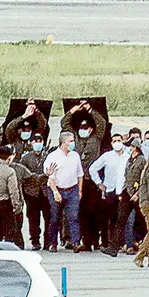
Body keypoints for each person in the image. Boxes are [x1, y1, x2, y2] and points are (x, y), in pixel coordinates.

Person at [61, 100, 107, 250]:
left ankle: (95, 239)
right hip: (76, 181)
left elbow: (102, 124)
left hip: (91, 181)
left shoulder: (96, 138)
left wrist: (90, 109)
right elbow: (64, 124)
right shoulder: (74, 138)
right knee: (79, 212)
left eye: (85, 128)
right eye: (81, 127)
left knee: (94, 211)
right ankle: (84, 241)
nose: (83, 130)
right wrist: (73, 111)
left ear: (91, 129)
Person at [45, 132, 87, 253]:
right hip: (57, 189)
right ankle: (52, 243)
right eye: (71, 141)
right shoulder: (53, 157)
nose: (73, 143)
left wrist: (79, 190)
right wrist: (55, 192)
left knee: (74, 217)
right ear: (63, 143)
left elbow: (80, 174)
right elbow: (51, 177)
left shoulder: (75, 156)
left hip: (72, 189)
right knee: (55, 218)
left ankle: (76, 243)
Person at [90, 134, 130, 257]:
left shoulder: (128, 156)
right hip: (110, 191)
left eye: (119, 140)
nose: (117, 143)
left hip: (123, 191)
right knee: (109, 219)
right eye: (114, 141)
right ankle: (108, 243)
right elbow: (93, 168)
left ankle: (120, 243)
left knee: (121, 219)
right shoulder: (107, 156)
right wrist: (99, 183)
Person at [19, 134, 51, 250]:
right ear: (31, 143)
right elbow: (25, 175)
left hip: (46, 192)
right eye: (35, 141)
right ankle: (35, 241)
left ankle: (48, 241)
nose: (38, 143)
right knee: (33, 219)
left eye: (40, 140)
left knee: (49, 218)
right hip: (31, 193)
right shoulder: (26, 158)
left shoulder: (48, 156)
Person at [119, 139, 147, 254]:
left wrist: (138, 193)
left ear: (135, 147)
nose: (128, 148)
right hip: (128, 193)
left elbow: (144, 179)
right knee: (127, 220)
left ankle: (144, 245)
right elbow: (127, 176)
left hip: (138, 195)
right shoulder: (130, 160)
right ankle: (129, 245)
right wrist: (122, 191)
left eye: (129, 146)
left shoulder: (142, 160)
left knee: (141, 222)